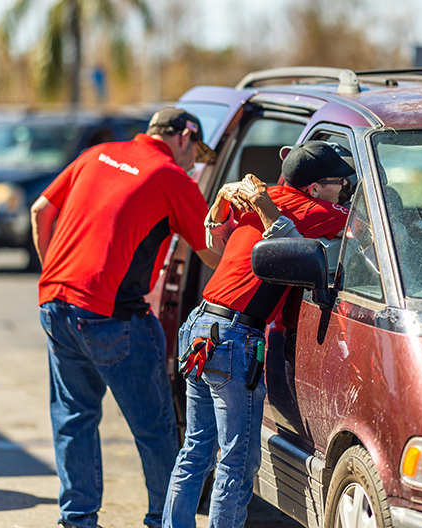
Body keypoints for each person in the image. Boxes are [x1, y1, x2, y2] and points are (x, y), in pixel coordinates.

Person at [30, 107, 219, 528]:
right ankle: (165, 520)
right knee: (154, 429)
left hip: (56, 303)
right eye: (196, 152)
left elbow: (41, 210)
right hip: (113, 316)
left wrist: (53, 273)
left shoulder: (95, 154)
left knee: (74, 419)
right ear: (183, 138)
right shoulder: (172, 176)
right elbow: (210, 253)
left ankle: (77, 520)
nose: (195, 164)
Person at [163, 140, 353, 528]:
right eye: (338, 181)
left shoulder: (260, 198)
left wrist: (221, 202)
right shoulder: (319, 211)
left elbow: (214, 233)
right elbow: (362, 237)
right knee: (237, 460)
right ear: (315, 188)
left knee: (196, 450)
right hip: (234, 337)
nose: (344, 188)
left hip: (200, 326)